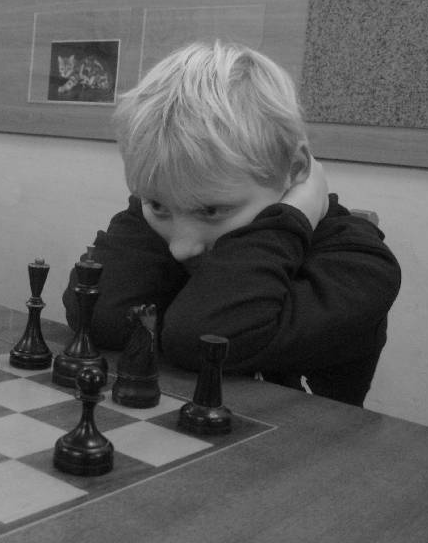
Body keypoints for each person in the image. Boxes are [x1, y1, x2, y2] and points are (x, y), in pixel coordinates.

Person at [63, 40, 401, 407]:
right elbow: (98, 315)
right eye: (157, 205)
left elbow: (201, 337)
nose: (181, 247)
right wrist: (160, 203)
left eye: (211, 211)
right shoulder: (181, 216)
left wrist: (290, 218)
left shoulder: (360, 266)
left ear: (295, 170)